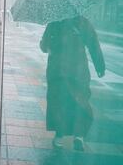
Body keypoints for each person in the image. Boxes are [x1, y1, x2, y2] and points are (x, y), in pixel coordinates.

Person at [40, 16, 105, 151]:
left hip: (57, 71)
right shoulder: (83, 22)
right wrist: (100, 66)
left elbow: (44, 46)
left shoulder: (54, 23)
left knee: (58, 102)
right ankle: (79, 136)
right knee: (81, 101)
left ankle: (59, 137)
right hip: (78, 70)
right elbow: (94, 44)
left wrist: (50, 44)